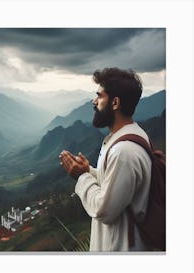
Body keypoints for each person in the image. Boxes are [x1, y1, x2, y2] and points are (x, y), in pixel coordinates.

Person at [59, 67, 152, 251]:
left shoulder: (123, 152)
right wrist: (89, 171)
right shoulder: (128, 137)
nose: (94, 102)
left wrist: (82, 177)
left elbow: (104, 210)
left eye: (99, 96)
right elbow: (114, 182)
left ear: (115, 102)